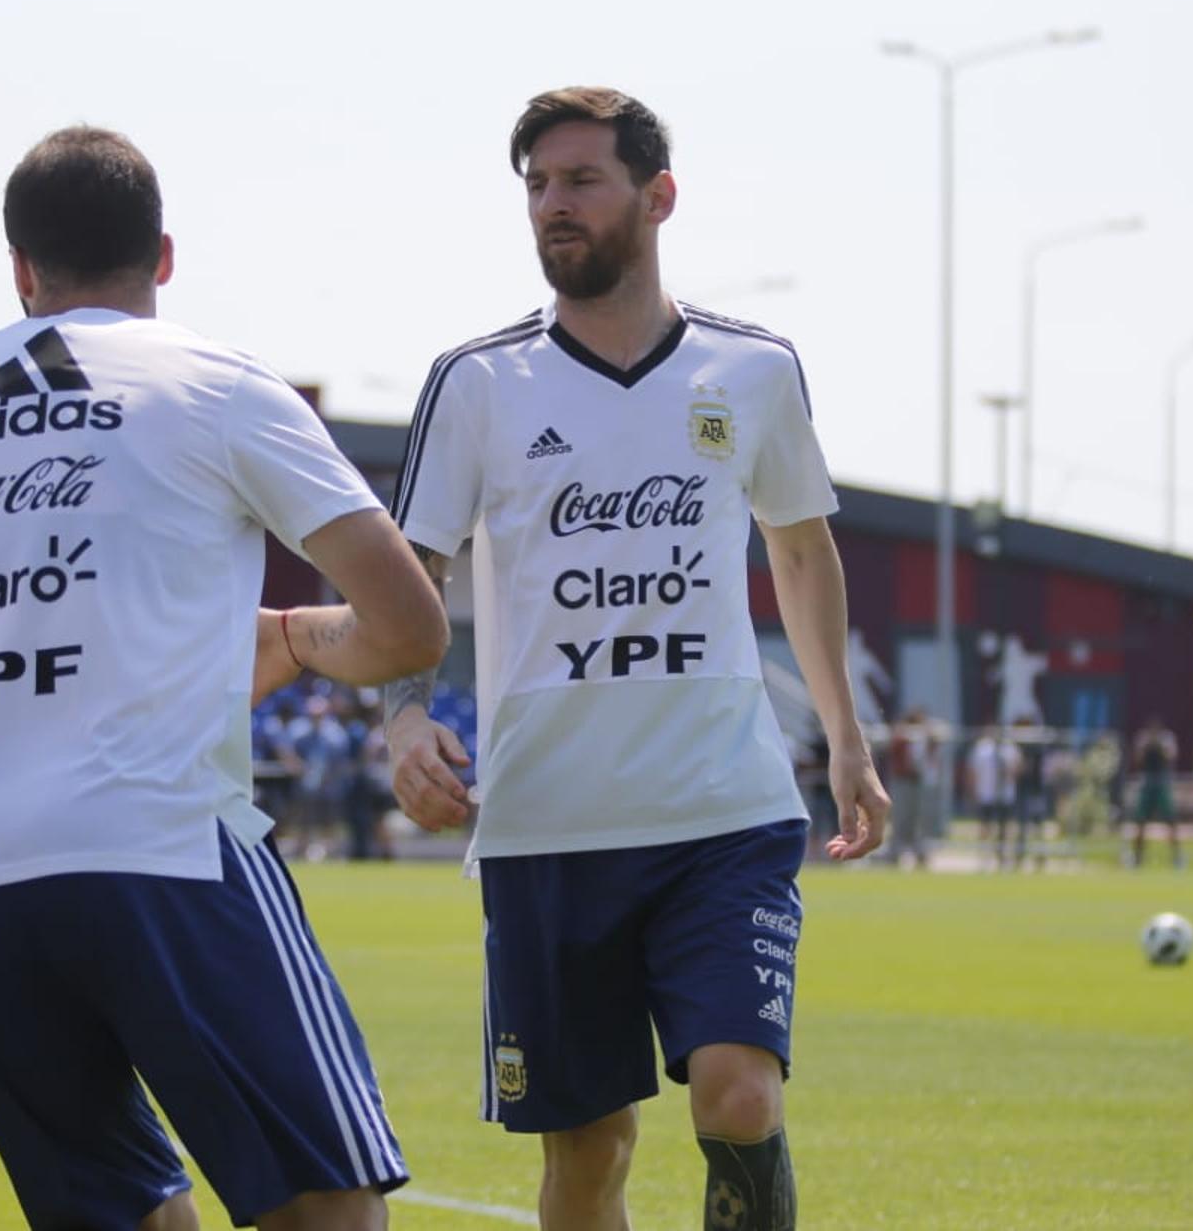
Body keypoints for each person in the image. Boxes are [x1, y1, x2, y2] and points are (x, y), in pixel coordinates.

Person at [0, 126, 447, 1231]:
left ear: (20, 269)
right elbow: (408, 624)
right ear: (163, 257)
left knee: (128, 1215)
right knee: (328, 1210)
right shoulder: (215, 382)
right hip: (156, 852)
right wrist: (297, 638)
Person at [381, 88, 889, 1231]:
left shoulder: (752, 370)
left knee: (740, 1092)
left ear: (659, 197)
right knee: (590, 1152)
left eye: (580, 181)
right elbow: (405, 578)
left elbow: (802, 554)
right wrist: (403, 719)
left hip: (722, 809)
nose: (552, 206)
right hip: (547, 828)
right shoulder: (477, 382)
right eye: (537, 187)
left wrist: (847, 743)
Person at [879, 708, 935, 869]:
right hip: (903, 780)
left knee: (919, 818)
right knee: (901, 817)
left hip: (918, 780)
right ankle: (895, 853)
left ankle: (919, 853)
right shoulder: (902, 735)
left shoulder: (924, 736)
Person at [965, 726, 1021, 870]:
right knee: (985, 826)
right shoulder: (982, 749)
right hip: (986, 794)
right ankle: (984, 857)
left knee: (1004, 827)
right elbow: (972, 771)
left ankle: (1002, 856)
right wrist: (972, 791)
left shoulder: (1010, 749)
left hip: (1005, 794)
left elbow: (1018, 768)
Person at [1129, 715, 1182, 869]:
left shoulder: (1167, 739)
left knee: (1170, 822)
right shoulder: (1143, 739)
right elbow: (1138, 760)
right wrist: (1146, 747)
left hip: (1162, 783)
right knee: (1140, 822)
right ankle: (1137, 858)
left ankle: (1177, 857)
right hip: (1147, 783)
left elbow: (1171, 757)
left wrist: (1159, 746)